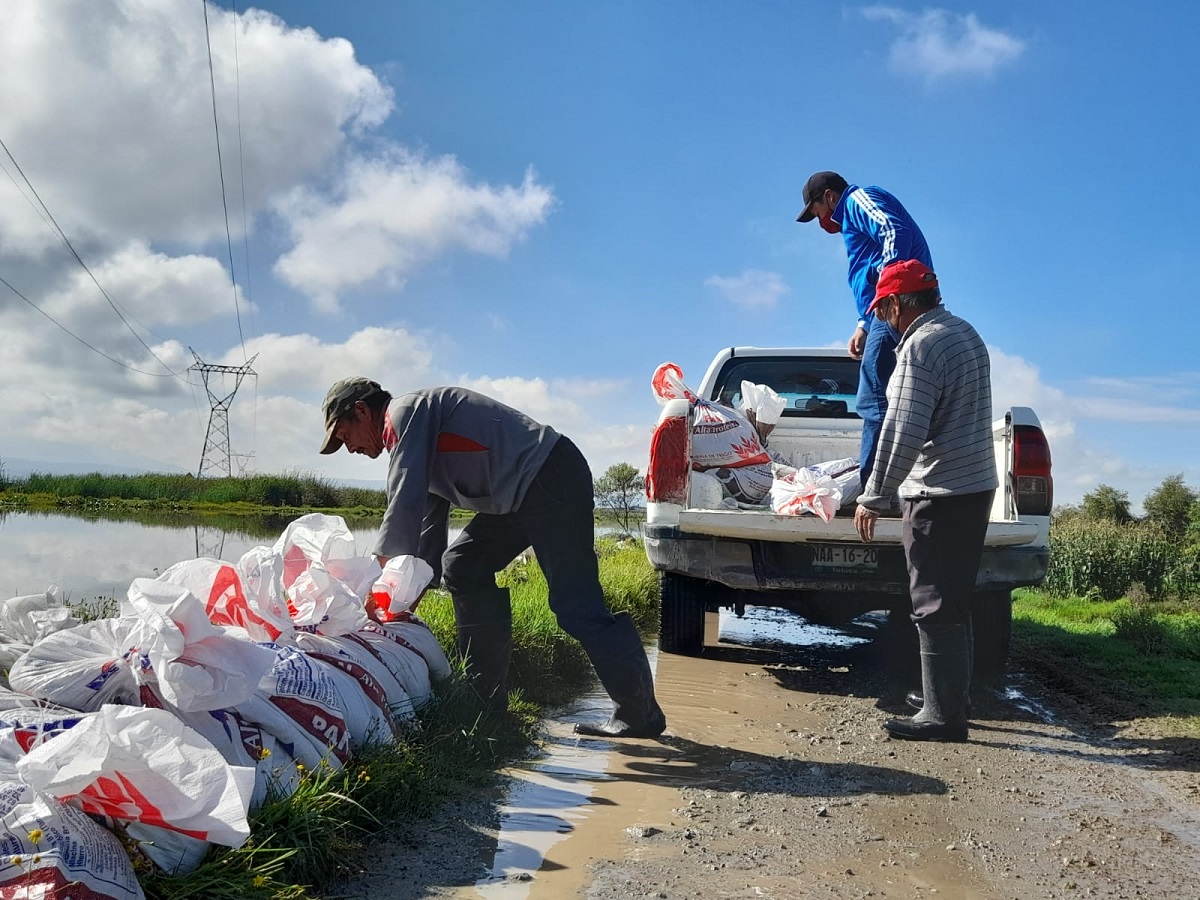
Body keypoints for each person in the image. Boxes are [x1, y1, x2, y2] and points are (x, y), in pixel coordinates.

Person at [319, 378, 667, 739]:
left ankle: (639, 713)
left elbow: (402, 504)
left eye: (345, 436)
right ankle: (485, 700)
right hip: (518, 496)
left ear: (362, 410)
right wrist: (402, 601)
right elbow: (425, 527)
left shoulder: (405, 414)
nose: (350, 448)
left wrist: (371, 588)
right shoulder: (414, 437)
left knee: (576, 604)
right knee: (463, 564)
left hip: (550, 477)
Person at [852, 260, 997, 742]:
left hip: (938, 490)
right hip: (975, 486)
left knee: (932, 600)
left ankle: (942, 717)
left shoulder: (919, 346)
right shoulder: (965, 333)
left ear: (896, 303)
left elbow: (903, 430)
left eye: (884, 311)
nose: (885, 323)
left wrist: (874, 495)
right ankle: (951, 699)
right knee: (955, 597)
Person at [796, 171, 932, 487]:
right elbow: (870, 267)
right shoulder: (852, 221)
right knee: (894, 396)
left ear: (829, 196)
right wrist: (863, 325)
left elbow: (893, 231)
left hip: (896, 304)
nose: (820, 221)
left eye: (816, 211)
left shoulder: (857, 200)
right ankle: (893, 482)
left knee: (874, 398)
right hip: (886, 310)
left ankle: (876, 487)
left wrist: (888, 287)